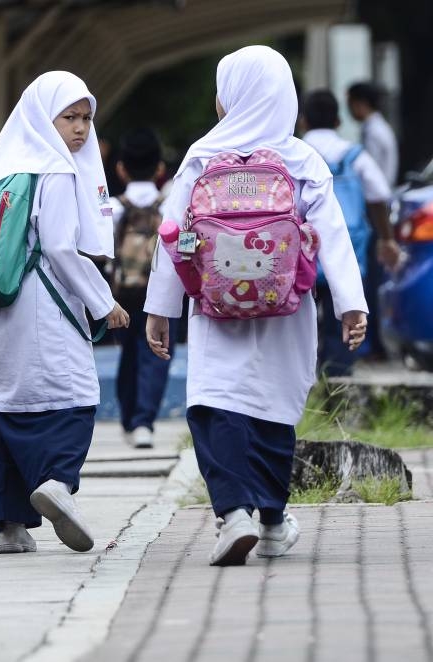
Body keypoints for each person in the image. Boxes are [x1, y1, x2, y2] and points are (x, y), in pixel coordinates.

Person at [145, 46, 368, 566]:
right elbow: (332, 236)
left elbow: (173, 237)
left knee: (215, 400)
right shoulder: (301, 157)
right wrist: (350, 305)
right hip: (286, 310)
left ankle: (234, 513)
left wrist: (161, 308)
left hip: (215, 309)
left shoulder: (202, 156)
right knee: (273, 406)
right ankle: (270, 522)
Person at [0, 71, 130, 556]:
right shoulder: (57, 171)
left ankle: (9, 524)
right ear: (45, 116)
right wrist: (106, 302)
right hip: (48, 303)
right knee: (76, 397)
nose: (81, 128)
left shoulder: (1, 167)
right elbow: (62, 249)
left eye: (86, 117)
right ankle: (58, 483)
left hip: (2, 309)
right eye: (69, 117)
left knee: (11, 409)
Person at [302, 89, 400, 376]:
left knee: (300, 324)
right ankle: (337, 387)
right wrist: (387, 239)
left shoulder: (294, 153)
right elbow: (379, 196)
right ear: (337, 121)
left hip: (300, 254)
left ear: (304, 121)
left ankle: (306, 385)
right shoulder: (354, 155)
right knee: (341, 321)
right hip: (346, 253)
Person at [108, 128, 177, 448]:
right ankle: (144, 422)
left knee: (129, 353)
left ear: (121, 168)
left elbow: (99, 249)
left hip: (123, 294)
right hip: (162, 291)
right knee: (157, 352)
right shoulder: (171, 203)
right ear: (160, 169)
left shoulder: (113, 206)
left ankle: (129, 418)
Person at [348, 81, 399, 361]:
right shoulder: (379, 128)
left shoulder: (373, 132)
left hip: (376, 212)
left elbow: (375, 186)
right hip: (378, 209)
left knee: (372, 281)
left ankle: (375, 345)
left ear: (358, 103)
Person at [347, 82, 398, 186]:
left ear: (361, 103)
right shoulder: (376, 127)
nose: (348, 109)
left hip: (377, 194)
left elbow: (370, 170)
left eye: (350, 103)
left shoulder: (374, 132)